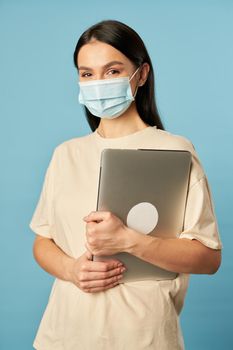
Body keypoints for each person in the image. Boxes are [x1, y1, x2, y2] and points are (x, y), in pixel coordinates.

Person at [29, 19, 222, 350]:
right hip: (63, 335)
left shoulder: (174, 151)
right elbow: (43, 241)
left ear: (141, 74)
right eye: (87, 73)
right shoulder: (66, 154)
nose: (97, 83)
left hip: (144, 336)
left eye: (113, 71)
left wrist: (131, 241)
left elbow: (207, 258)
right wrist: (71, 269)